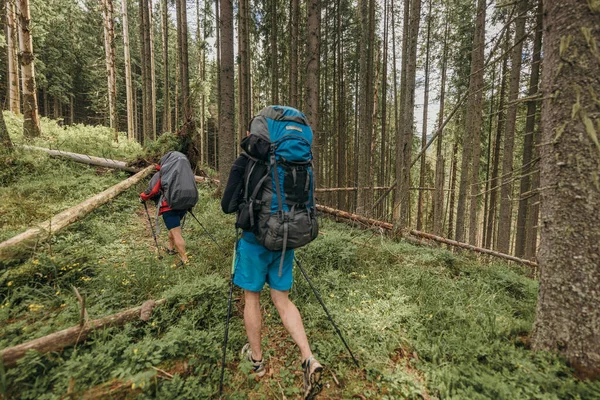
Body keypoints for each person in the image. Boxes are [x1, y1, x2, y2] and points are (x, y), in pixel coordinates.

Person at [221, 128, 323, 399]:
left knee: (251, 299)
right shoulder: (293, 162)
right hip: (285, 239)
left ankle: (257, 362)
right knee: (283, 300)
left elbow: (226, 205)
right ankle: (309, 358)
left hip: (254, 242)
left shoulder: (245, 162)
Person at [140, 166, 189, 266]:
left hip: (168, 207)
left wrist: (142, 197)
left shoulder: (161, 174)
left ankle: (185, 259)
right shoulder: (180, 174)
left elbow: (152, 191)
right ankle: (171, 248)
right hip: (182, 206)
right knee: (174, 228)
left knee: (176, 233)